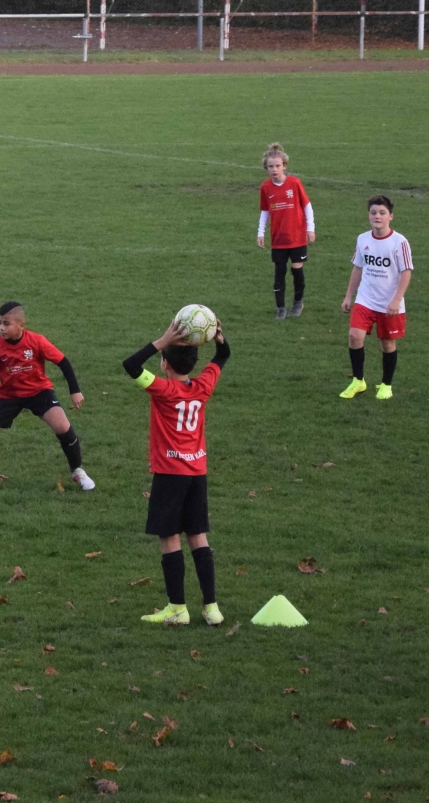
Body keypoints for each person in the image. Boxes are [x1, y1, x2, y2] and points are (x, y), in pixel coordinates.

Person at [121, 314, 231, 626]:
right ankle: (212, 608)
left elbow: (130, 365)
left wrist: (162, 341)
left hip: (170, 474)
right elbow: (223, 356)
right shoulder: (203, 385)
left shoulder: (162, 389)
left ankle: (178, 609)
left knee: (170, 537)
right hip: (197, 473)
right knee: (198, 536)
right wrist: (218, 338)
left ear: (165, 363)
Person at [0, 301, 93, 492]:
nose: (1, 328)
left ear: (21, 325)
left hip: (39, 391)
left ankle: (78, 471)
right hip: (8, 395)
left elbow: (63, 362)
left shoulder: (36, 341)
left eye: (6, 323)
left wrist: (75, 391)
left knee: (62, 426)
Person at [339, 194, 413, 401]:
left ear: (391, 216)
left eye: (382, 213)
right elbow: (357, 268)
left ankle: (386, 385)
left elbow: (406, 272)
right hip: (365, 299)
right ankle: (358, 381)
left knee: (387, 343)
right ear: (368, 215)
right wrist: (348, 296)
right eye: (373, 213)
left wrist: (396, 300)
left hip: (389, 303)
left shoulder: (399, 242)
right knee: (354, 336)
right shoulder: (363, 239)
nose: (377, 216)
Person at [256, 144, 314, 319]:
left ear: (284, 166)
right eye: (270, 166)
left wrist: (310, 228)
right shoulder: (265, 187)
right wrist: (260, 232)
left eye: (278, 166)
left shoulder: (294, 183)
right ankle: (280, 307)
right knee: (279, 272)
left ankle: (297, 302)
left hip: (296, 237)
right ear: (266, 167)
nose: (274, 169)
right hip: (278, 238)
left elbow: (307, 206)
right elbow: (265, 211)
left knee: (297, 270)